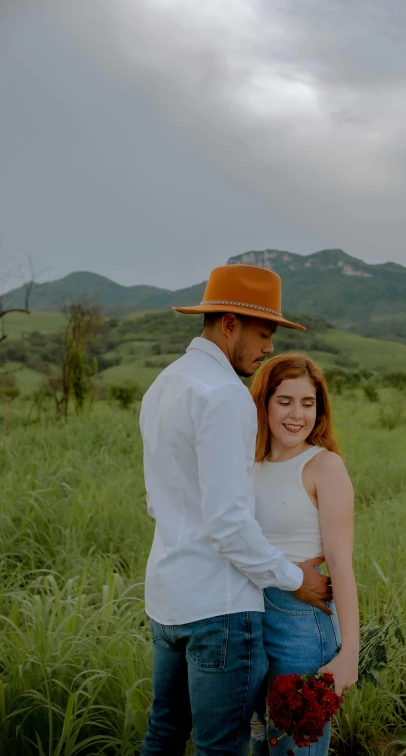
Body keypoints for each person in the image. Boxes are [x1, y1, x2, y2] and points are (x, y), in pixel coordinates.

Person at [139, 264, 333, 756]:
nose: (269, 347)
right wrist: (294, 577)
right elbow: (228, 524)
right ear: (230, 324)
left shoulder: (164, 384)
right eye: (264, 333)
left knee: (163, 733)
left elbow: (155, 500)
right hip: (220, 610)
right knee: (220, 747)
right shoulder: (225, 394)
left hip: (167, 597)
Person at [249, 353, 359, 756]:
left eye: (308, 403)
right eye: (285, 401)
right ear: (264, 402)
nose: (297, 415)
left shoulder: (323, 466)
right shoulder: (249, 462)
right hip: (248, 617)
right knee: (262, 740)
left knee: (295, 748)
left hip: (300, 624)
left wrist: (350, 653)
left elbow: (341, 566)